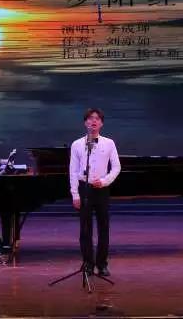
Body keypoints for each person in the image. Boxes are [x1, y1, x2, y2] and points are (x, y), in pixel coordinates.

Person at [69, 108, 121, 277]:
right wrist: (75, 194)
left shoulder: (109, 143)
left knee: (103, 227)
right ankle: (88, 264)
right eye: (90, 118)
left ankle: (102, 264)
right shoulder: (77, 144)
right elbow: (73, 170)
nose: (94, 121)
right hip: (84, 188)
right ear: (85, 122)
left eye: (97, 118)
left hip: (101, 189)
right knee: (85, 229)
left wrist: (105, 181)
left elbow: (116, 167)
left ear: (101, 123)